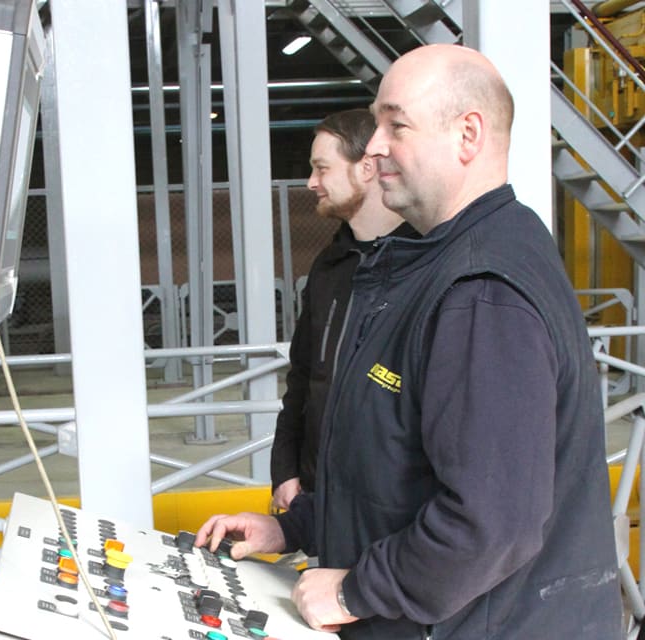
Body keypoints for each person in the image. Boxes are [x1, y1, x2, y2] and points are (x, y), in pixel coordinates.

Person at [196, 44, 622, 640]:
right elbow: (393, 467)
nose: (374, 146)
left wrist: (353, 591)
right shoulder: (431, 263)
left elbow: (490, 523)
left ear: (467, 136)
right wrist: (294, 529)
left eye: (396, 125)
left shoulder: (481, 291)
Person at [271, 109, 416, 510]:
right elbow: (303, 376)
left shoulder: (423, 265)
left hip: (386, 508)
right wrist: (285, 469)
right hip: (318, 496)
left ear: (367, 168)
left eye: (322, 168)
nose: (311, 182)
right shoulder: (330, 266)